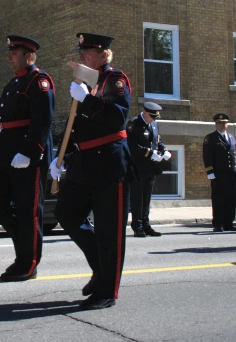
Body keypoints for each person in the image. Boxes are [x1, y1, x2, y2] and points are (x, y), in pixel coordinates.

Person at [53, 32, 135, 310]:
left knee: (110, 231)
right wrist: (60, 156)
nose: (81, 55)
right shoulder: (85, 81)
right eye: (81, 51)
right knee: (66, 213)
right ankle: (100, 267)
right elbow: (75, 123)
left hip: (110, 164)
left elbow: (116, 117)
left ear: (103, 54)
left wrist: (87, 99)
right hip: (84, 162)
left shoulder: (115, 80)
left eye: (87, 51)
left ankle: (107, 290)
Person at [0, 35, 55, 282]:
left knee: (28, 211)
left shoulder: (39, 82)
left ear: (29, 56)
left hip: (26, 158)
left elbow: (43, 121)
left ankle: (28, 262)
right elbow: (1, 123)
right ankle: (24, 244)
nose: (9, 56)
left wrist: (29, 151)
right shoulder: (12, 84)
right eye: (10, 52)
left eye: (14, 52)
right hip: (6, 157)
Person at [127, 102, 169, 237]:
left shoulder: (154, 124)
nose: (153, 119)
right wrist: (150, 153)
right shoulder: (134, 124)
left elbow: (157, 140)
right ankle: (137, 226)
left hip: (151, 167)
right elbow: (132, 146)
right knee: (137, 198)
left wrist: (164, 150)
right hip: (138, 167)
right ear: (144, 113)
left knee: (147, 198)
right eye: (151, 116)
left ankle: (146, 224)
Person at [203, 113, 236, 232]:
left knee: (231, 199)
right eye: (218, 123)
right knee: (218, 199)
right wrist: (210, 171)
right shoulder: (210, 138)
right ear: (215, 124)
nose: (221, 125)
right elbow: (207, 156)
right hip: (218, 174)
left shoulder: (231, 137)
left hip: (232, 174)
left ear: (227, 124)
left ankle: (229, 223)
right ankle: (217, 223)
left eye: (223, 123)